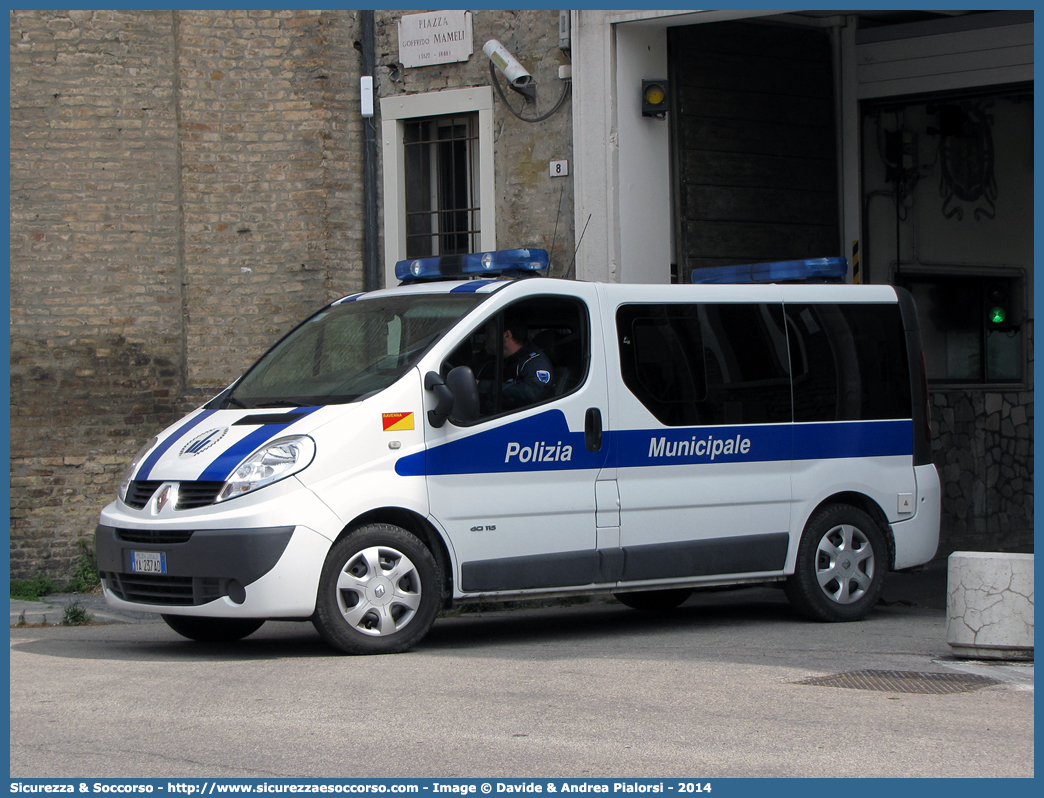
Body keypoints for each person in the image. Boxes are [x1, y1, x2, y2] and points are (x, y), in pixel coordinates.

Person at [478, 315, 555, 412]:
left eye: (488, 332)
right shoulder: (496, 361)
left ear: (506, 336)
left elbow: (531, 394)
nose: (484, 337)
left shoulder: (536, 363)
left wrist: (485, 386)